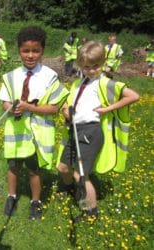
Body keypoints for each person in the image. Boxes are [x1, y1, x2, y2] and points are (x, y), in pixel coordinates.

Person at [57, 41, 140, 223]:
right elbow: (70, 103)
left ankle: (91, 211)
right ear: (81, 66)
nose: (91, 70)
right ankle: (72, 189)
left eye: (95, 66)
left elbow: (133, 96)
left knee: (81, 174)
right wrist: (66, 111)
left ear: (102, 64)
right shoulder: (78, 83)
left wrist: (108, 109)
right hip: (75, 129)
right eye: (87, 67)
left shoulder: (105, 83)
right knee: (63, 167)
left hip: (90, 131)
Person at [0, 26, 69, 220]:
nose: (30, 55)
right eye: (25, 51)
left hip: (39, 134)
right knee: (13, 167)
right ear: (19, 51)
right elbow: (4, 101)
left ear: (42, 51)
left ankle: (35, 201)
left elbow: (54, 108)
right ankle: (11, 196)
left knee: (33, 170)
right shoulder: (10, 76)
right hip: (16, 132)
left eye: (35, 50)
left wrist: (30, 108)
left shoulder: (50, 77)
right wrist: (10, 108)